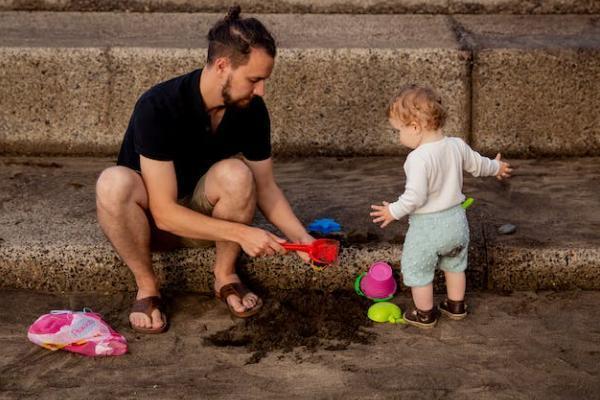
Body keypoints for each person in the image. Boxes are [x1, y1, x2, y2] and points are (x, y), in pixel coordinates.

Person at [96, 6, 313, 333]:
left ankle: (225, 275)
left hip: (207, 219)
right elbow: (164, 213)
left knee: (237, 174)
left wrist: (303, 240)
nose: (261, 91)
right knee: (113, 183)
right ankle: (147, 286)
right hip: (150, 224)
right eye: (254, 80)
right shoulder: (158, 106)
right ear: (223, 66)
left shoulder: (251, 110)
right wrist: (244, 233)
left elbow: (266, 188)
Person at [370, 84, 512, 329]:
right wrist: (497, 167)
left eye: (398, 131)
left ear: (415, 127)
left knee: (418, 269)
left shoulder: (417, 159)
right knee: (455, 265)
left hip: (428, 228)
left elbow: (414, 197)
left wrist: (392, 211)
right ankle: (456, 305)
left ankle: (425, 313)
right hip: (457, 222)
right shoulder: (456, 145)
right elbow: (479, 165)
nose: (399, 136)